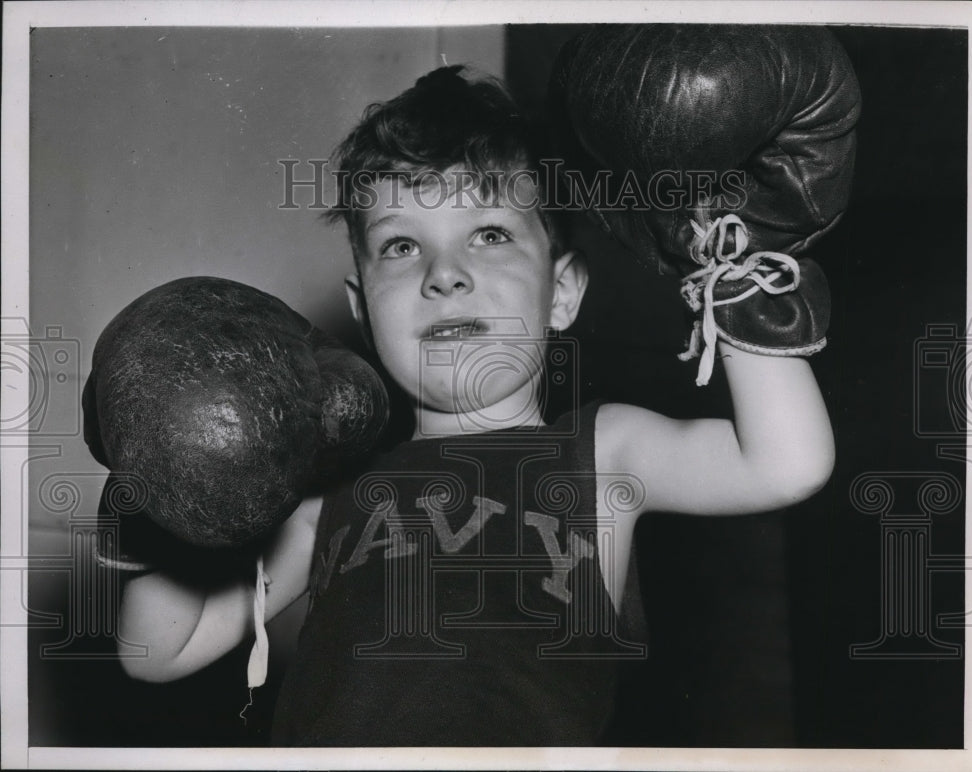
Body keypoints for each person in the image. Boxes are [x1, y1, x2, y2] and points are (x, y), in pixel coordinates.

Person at [115, 65, 835, 746]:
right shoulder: (325, 493)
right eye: (401, 245)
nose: (445, 274)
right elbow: (157, 651)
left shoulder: (605, 452)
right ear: (363, 307)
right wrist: (155, 469)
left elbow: (786, 464)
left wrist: (734, 272)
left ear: (562, 292)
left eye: (489, 235)